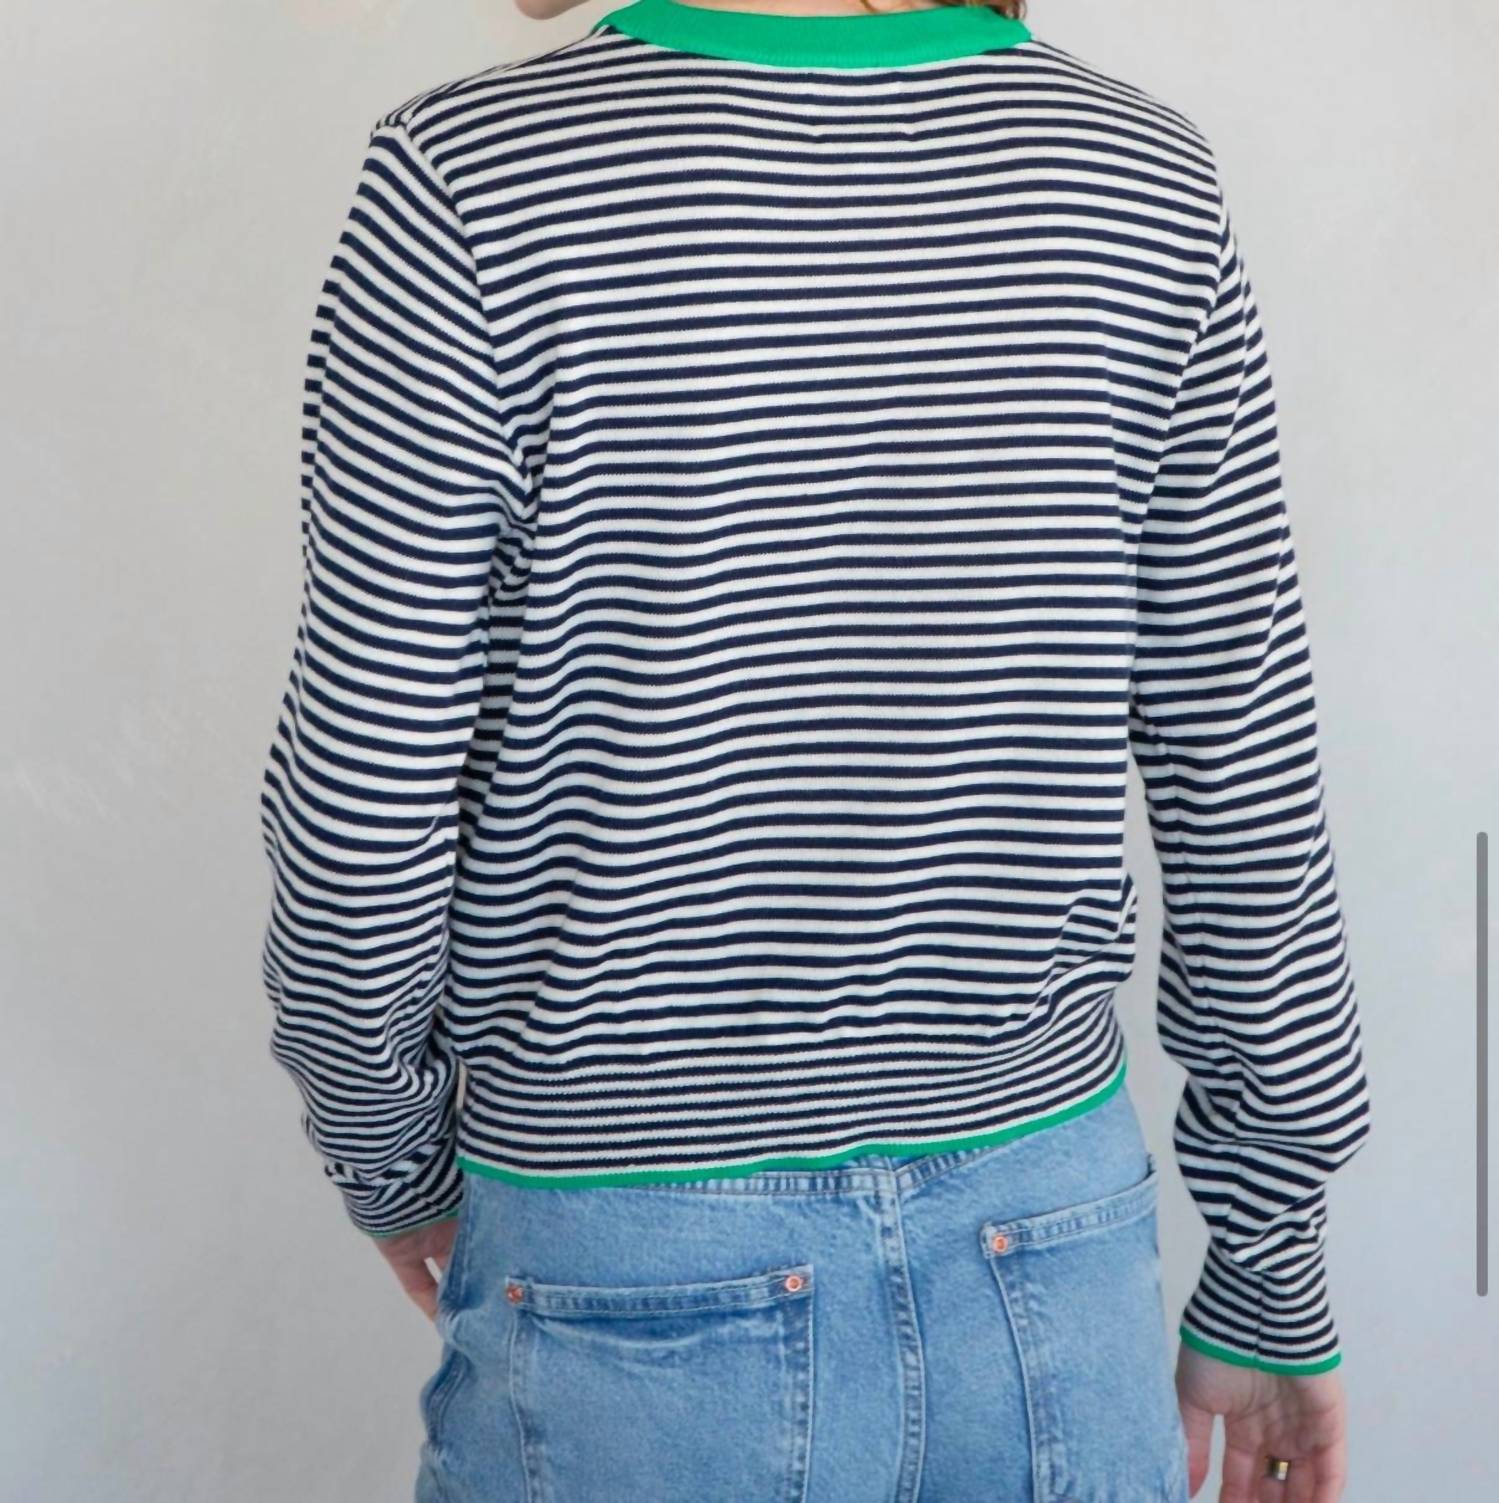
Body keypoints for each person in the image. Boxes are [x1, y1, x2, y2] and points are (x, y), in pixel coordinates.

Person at [257, 1, 1374, 1498]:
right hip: (1053, 1251)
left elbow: (361, 790)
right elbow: (1241, 756)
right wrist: (1270, 1260)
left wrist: (389, 1159)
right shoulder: (1140, 173)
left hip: (628, 1257)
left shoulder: (470, 174)